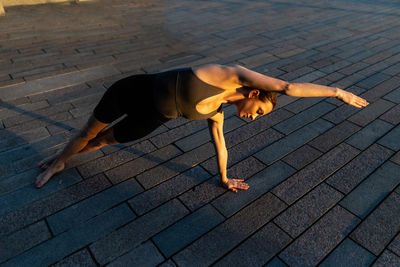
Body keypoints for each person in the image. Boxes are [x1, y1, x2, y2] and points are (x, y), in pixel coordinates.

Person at [35, 64, 369, 191]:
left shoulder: (219, 112)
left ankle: (65, 158)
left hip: (152, 118)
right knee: (88, 132)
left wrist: (224, 178)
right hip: (131, 91)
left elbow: (220, 145)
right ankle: (58, 162)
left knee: (104, 141)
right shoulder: (228, 74)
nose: (255, 117)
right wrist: (337, 92)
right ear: (253, 94)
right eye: (259, 111)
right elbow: (288, 87)